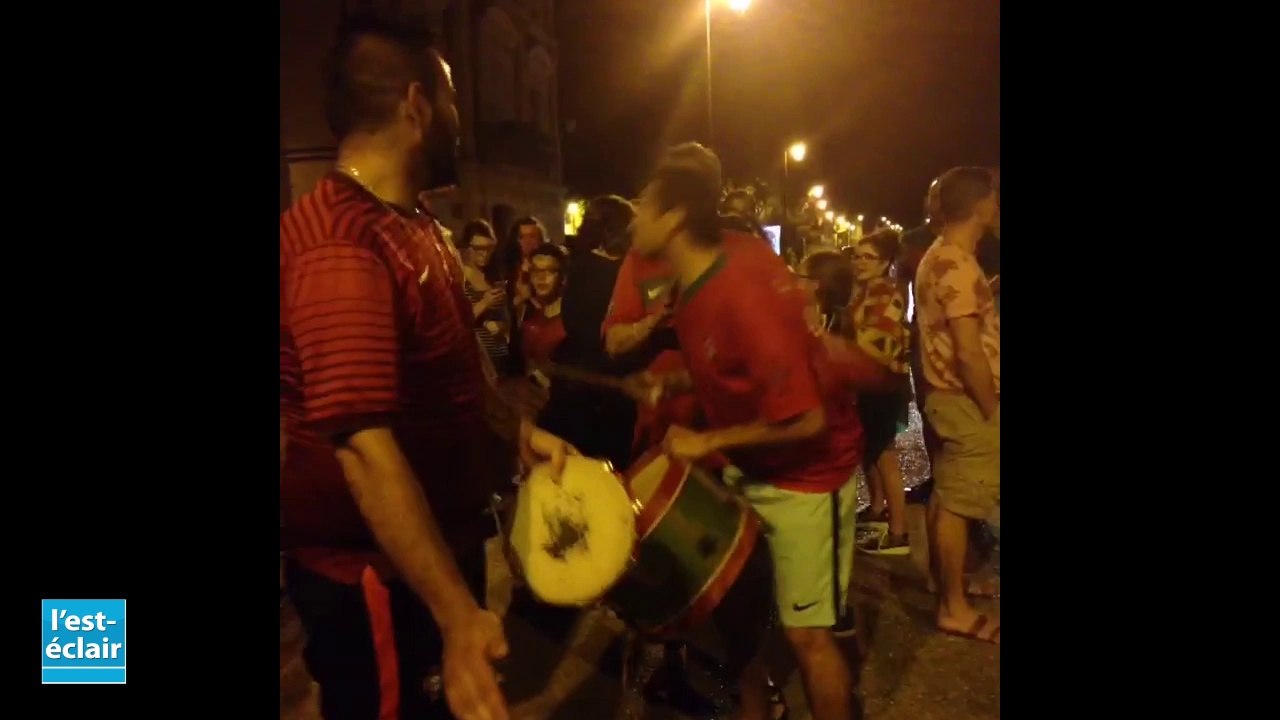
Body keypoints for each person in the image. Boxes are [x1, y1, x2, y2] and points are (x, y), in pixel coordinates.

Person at [279, 15, 577, 720]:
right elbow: (364, 449)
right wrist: (456, 618)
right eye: (449, 101)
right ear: (417, 106)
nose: (458, 122)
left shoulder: (416, 227)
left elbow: (455, 377)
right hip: (375, 583)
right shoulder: (341, 245)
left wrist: (517, 436)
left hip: (431, 557)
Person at [633, 143, 862, 720]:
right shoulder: (695, 278)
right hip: (752, 470)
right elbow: (734, 366)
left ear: (676, 216)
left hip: (808, 476)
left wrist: (707, 441)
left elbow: (805, 417)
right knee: (743, 636)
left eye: (644, 205)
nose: (634, 215)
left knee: (807, 636)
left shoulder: (741, 287)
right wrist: (681, 382)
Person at [914, 166, 1001, 645]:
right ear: (980, 206)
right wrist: (991, 408)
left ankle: (946, 588)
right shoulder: (956, 264)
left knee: (948, 496)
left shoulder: (944, 258)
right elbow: (968, 351)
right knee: (959, 505)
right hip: (966, 400)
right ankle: (954, 607)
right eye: (993, 198)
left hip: (950, 398)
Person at [848, 230, 913, 555]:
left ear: (885, 262)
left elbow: (878, 346)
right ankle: (876, 510)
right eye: (856, 256)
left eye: (868, 257)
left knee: (884, 454)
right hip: (869, 384)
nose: (859, 262)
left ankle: (899, 532)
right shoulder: (865, 292)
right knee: (870, 450)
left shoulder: (886, 294)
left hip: (883, 386)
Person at [458, 219, 512, 370]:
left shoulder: (493, 277)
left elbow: (505, 318)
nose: (484, 253)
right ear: (466, 248)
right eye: (478, 248)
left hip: (500, 356)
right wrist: (484, 303)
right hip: (476, 359)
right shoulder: (458, 278)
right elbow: (458, 322)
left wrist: (502, 325)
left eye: (489, 248)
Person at [518, 243, 568, 369]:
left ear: (562, 276)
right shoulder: (527, 316)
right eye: (536, 270)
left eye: (550, 270)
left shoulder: (569, 319)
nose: (541, 277)